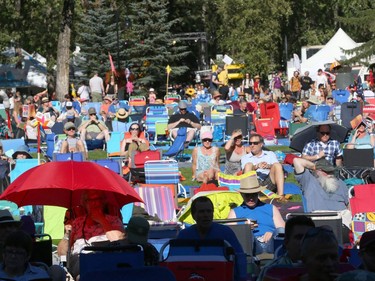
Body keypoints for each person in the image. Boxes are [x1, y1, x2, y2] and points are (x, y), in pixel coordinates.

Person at [57, 190, 125, 279]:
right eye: (90, 200)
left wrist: (102, 220)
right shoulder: (77, 222)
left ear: (103, 201)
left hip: (105, 260)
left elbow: (119, 243)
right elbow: (61, 253)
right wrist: (66, 235)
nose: (95, 203)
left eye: (98, 199)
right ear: (84, 203)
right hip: (80, 261)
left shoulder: (113, 221)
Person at [177, 196, 246, 281]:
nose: (206, 215)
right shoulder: (184, 235)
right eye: (202, 212)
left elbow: (239, 257)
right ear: (193, 215)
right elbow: (177, 263)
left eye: (209, 211)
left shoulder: (226, 232)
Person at [228, 175, 285, 255]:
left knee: (280, 231)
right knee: (248, 236)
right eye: (247, 195)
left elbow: (283, 230)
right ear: (241, 194)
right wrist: (244, 229)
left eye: (253, 194)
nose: (251, 198)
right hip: (249, 245)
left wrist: (272, 232)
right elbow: (229, 235)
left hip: (271, 242)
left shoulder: (271, 208)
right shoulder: (234, 212)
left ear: (258, 193)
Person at [257, 216, 315, 281]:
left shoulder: (324, 266)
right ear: (286, 242)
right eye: (299, 237)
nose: (304, 241)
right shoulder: (272, 270)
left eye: (308, 237)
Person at [241, 134, 286, 199]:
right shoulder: (245, 157)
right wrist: (256, 167)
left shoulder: (270, 154)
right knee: (248, 165)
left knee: (277, 165)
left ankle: (280, 196)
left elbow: (278, 168)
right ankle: (248, 196)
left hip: (269, 181)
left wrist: (268, 166)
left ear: (261, 144)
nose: (252, 145)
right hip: (253, 183)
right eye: (250, 143)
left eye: (255, 143)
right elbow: (244, 172)